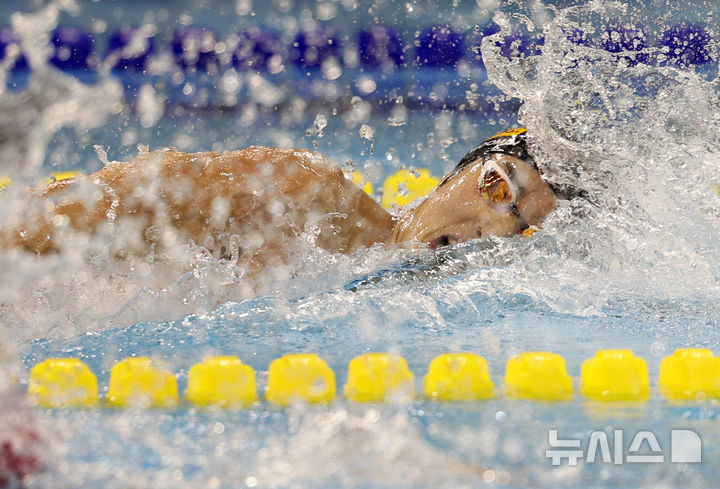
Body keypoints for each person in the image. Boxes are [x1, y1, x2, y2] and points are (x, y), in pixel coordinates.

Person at [0, 128, 556, 277]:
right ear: (464, 166)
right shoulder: (310, 193)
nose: (492, 225)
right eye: (498, 187)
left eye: (520, 227)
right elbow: (127, 198)